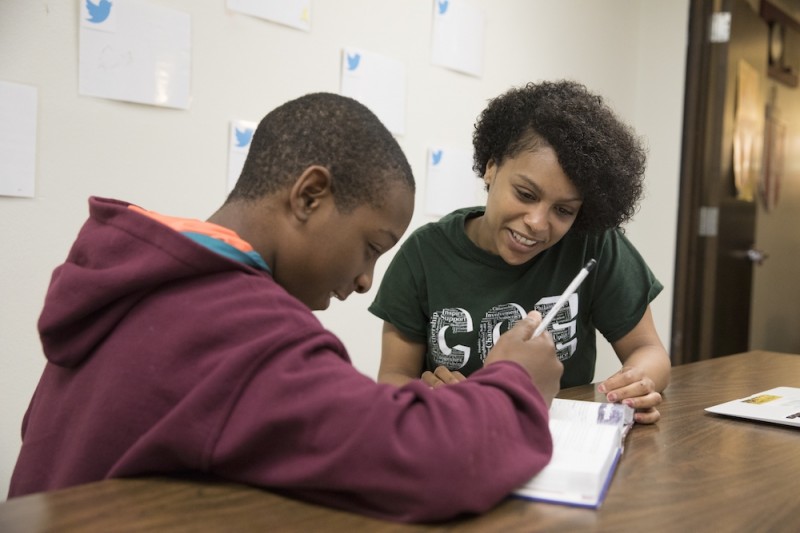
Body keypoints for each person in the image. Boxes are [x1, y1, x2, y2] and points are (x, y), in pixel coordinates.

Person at [8, 93, 565, 523]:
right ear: (309, 196)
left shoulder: (140, 277)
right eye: (371, 247)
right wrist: (515, 377)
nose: (367, 280)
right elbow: (432, 460)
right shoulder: (240, 327)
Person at [369, 80, 671, 424]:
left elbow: (648, 350)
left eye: (563, 210)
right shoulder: (424, 256)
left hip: (562, 443)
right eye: (526, 194)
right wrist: (430, 399)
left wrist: (637, 381)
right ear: (491, 167)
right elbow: (393, 379)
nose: (537, 223)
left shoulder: (592, 245)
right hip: (456, 439)